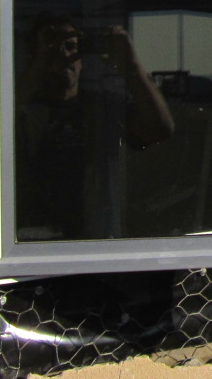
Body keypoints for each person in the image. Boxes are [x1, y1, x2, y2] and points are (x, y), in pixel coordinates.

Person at [16, 14, 174, 240]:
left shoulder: (103, 107)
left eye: (72, 47)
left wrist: (131, 66)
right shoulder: (22, 109)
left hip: (96, 242)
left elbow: (159, 129)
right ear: (35, 55)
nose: (64, 55)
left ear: (82, 60)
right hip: (31, 243)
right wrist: (41, 63)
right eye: (54, 46)